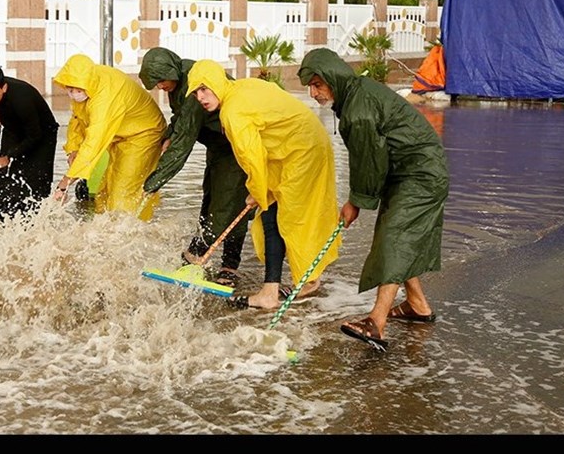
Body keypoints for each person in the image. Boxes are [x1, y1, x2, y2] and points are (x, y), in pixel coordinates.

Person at [298, 47, 450, 351]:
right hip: (406, 172)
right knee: (394, 238)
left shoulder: (358, 110)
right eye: (311, 87)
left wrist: (356, 201)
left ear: (333, 78)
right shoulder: (355, 95)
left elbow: (369, 160)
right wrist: (361, 196)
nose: (314, 93)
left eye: (318, 85)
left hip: (420, 174)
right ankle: (417, 305)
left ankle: (376, 323)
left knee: (394, 239)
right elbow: (373, 159)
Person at [186, 59, 341, 309]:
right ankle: (298, 282)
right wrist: (260, 189)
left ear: (217, 82)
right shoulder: (241, 88)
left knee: (284, 217)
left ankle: (278, 291)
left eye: (204, 88)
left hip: (301, 151)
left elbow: (252, 158)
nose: (201, 97)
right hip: (296, 148)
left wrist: (257, 190)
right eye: (195, 92)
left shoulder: (232, 112)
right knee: (276, 215)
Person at [139, 48, 251, 287]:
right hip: (217, 148)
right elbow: (180, 119)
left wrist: (152, 184)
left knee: (228, 204)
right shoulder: (178, 83)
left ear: (171, 71)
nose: (159, 86)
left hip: (237, 147)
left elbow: (182, 148)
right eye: (155, 83)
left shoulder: (195, 83)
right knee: (210, 200)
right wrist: (169, 134)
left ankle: (223, 265)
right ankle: (198, 256)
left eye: (160, 81)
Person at [52, 54, 166, 221]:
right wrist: (73, 150)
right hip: (119, 133)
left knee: (122, 193)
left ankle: (129, 236)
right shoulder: (85, 81)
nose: (74, 94)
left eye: (78, 90)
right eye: (70, 89)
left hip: (144, 133)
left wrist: (64, 184)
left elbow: (94, 143)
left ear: (87, 83)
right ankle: (104, 237)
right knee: (105, 192)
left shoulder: (104, 98)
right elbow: (77, 120)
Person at [0, 63, 59, 222]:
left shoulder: (22, 100)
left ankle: (35, 226)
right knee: (4, 179)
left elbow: (34, 135)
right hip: (13, 127)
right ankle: (5, 223)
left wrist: (8, 157)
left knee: (35, 187)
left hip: (41, 134)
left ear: (4, 88)